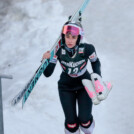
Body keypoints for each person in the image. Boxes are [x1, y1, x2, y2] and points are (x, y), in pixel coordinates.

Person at [42, 21, 102, 134]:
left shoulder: (87, 49)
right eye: (67, 36)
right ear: (63, 36)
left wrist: (97, 77)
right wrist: (46, 60)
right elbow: (47, 73)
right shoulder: (58, 50)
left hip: (85, 85)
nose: (69, 40)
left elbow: (95, 62)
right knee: (71, 124)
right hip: (66, 86)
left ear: (79, 37)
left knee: (85, 121)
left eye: (73, 37)